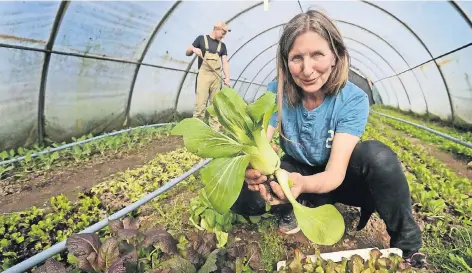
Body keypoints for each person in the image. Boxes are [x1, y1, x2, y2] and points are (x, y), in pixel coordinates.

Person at [229, 10, 426, 268]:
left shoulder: (353, 99)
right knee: (242, 197)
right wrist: (252, 169)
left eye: (317, 55)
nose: (307, 69)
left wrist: (301, 185)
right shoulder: (275, 91)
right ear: (285, 62)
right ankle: (293, 207)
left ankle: (407, 246)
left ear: (336, 56)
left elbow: (334, 174)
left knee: (379, 157)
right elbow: (261, 141)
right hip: (297, 168)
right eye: (296, 58)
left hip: (341, 176)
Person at [186, 21, 231, 129]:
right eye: (223, 33)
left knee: (215, 106)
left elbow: (225, 62)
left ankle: (214, 132)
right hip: (203, 75)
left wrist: (227, 77)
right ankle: (196, 130)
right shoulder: (201, 39)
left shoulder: (222, 46)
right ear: (216, 29)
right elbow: (187, 52)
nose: (223, 36)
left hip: (216, 77)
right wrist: (193, 49)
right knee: (200, 104)